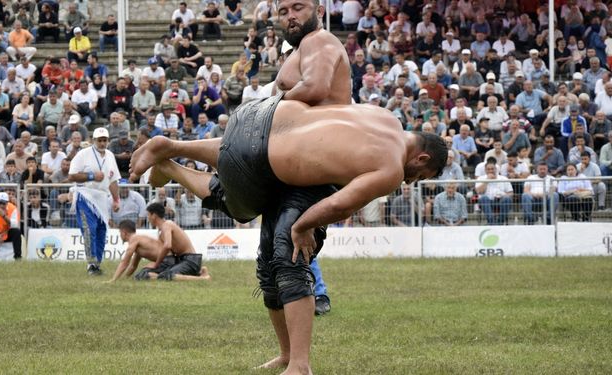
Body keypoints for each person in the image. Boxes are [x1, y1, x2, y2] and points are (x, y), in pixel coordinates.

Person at [130, 98, 446, 373]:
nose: (410, 182)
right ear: (422, 158)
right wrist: (302, 226)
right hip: (282, 169)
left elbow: (319, 107)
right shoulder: (391, 166)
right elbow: (340, 204)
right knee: (286, 252)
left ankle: (287, 355)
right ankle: (299, 364)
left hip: (259, 124)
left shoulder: (383, 116)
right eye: (418, 176)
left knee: (268, 264)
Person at [68, 128, 121, 276]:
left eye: (105, 140)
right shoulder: (83, 154)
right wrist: (91, 176)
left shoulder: (110, 156)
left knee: (101, 231)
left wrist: (116, 199)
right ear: (93, 140)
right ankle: (91, 264)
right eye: (100, 140)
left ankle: (97, 264)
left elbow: (113, 180)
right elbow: (71, 176)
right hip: (86, 195)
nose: (102, 143)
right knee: (89, 228)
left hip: (102, 198)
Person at [109, 217, 210, 282]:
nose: (120, 235)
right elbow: (133, 266)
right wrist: (124, 279)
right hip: (168, 259)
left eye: (119, 232)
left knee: (144, 275)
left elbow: (124, 262)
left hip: (167, 260)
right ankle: (200, 272)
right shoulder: (138, 241)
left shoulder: (134, 240)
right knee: (140, 275)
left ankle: (201, 278)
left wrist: (113, 280)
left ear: (124, 232)